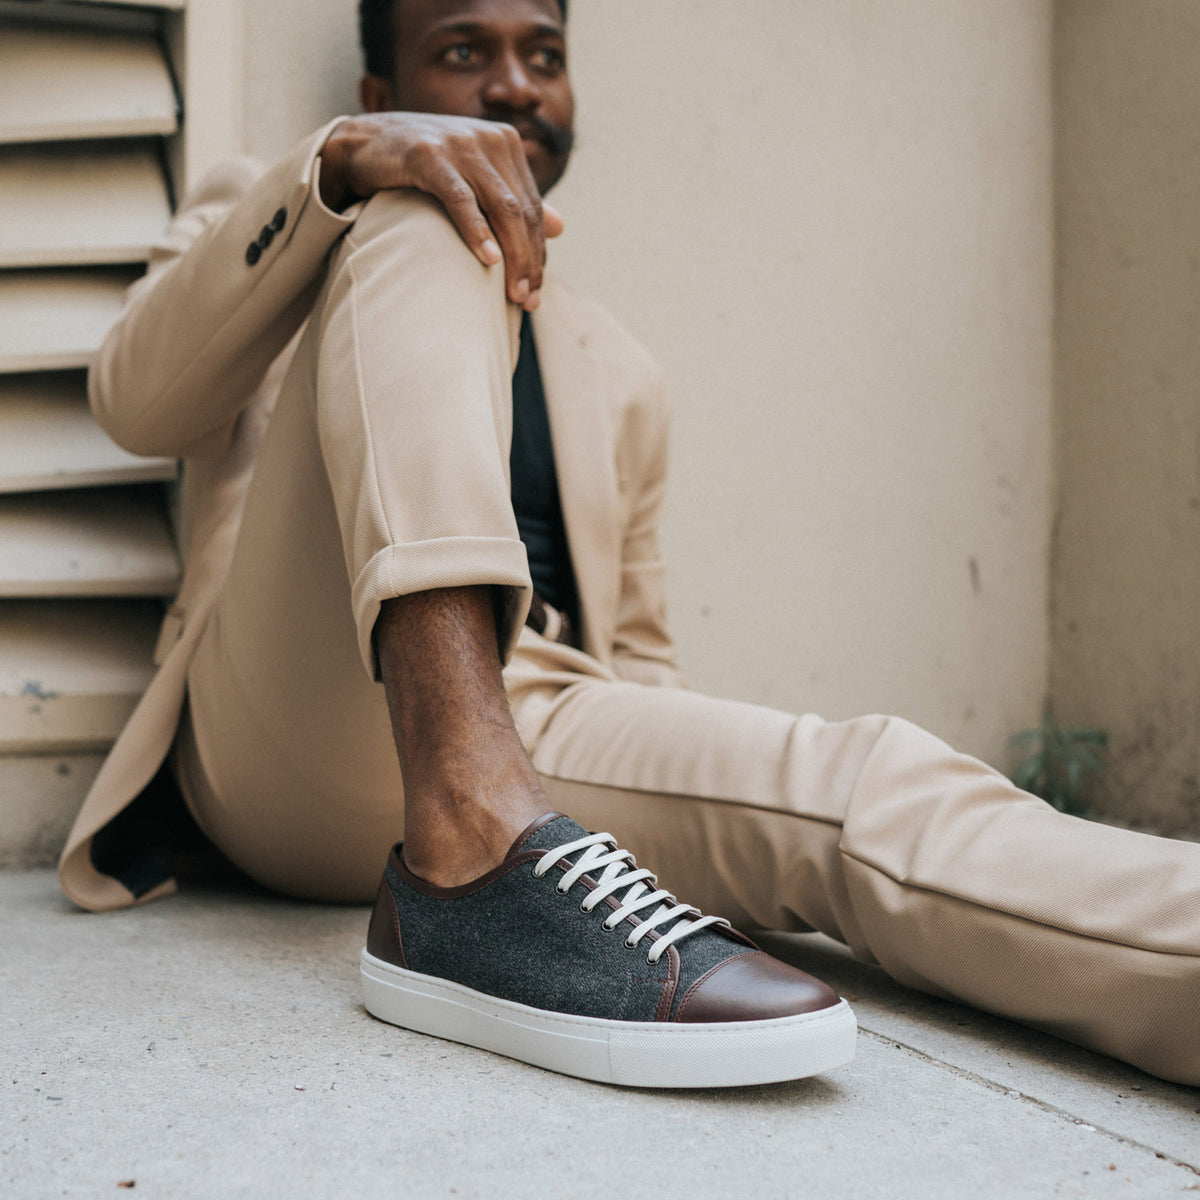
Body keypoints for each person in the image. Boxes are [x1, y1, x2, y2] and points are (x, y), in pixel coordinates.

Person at [57, 0, 1199, 1089]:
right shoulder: (282, 204)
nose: (513, 85)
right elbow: (138, 405)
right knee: (429, 204)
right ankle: (464, 826)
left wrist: (704, 822)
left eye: (543, 55)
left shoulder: (621, 369)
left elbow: (640, 656)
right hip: (300, 715)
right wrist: (348, 165)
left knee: (860, 783)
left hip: (544, 713)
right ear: (380, 87)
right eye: (463, 51)